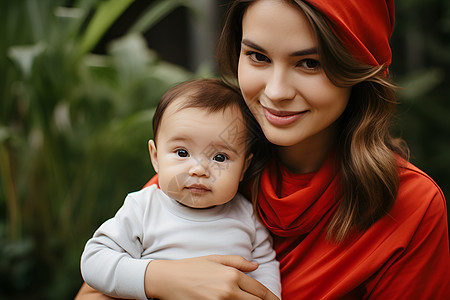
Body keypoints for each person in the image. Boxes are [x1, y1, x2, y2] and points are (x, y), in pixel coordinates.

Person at [76, 0, 450, 299]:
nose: (276, 91)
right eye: (258, 56)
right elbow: (94, 287)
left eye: (309, 63)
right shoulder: (205, 163)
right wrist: (165, 279)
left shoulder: (411, 207)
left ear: (359, 68)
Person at [79, 78, 281, 300]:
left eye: (220, 157)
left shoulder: (248, 216)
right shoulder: (144, 207)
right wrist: (149, 278)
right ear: (155, 157)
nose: (199, 170)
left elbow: (264, 267)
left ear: (244, 168)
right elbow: (94, 260)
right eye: (182, 153)